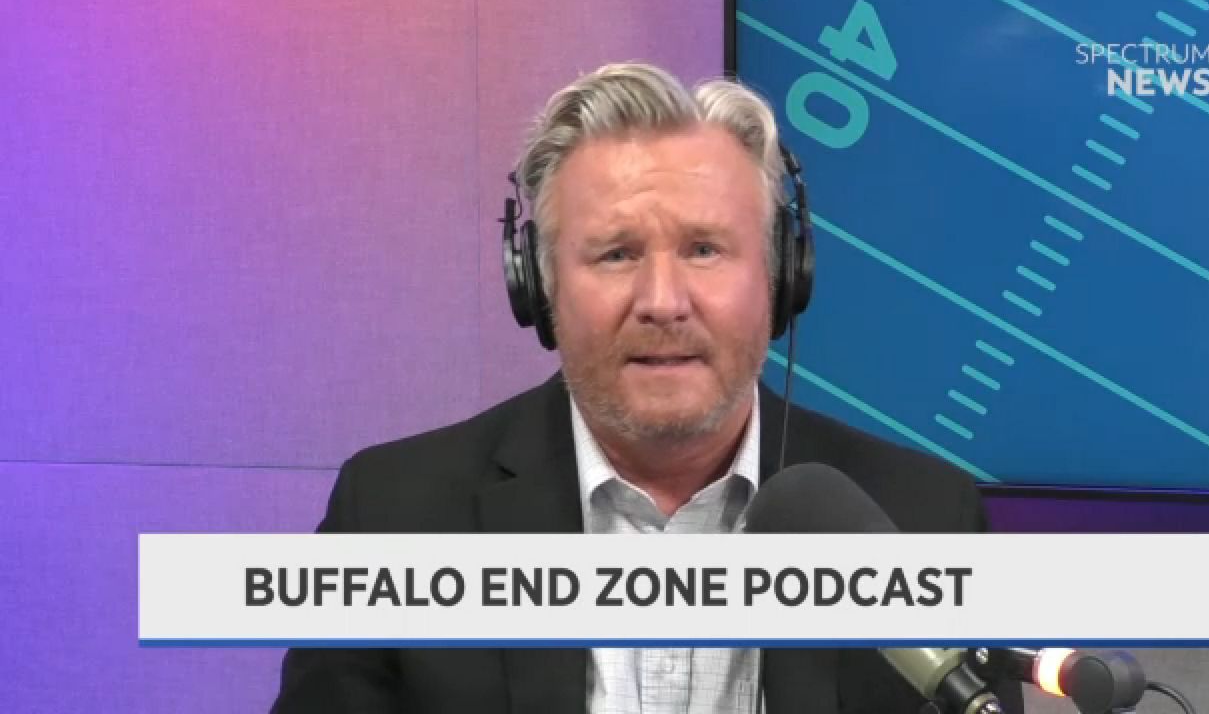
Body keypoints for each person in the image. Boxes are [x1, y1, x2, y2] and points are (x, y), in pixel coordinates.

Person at [271, 61, 1023, 714]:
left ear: (780, 277)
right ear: (539, 287)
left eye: (705, 249)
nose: (663, 301)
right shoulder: (393, 517)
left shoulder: (927, 521)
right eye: (616, 253)